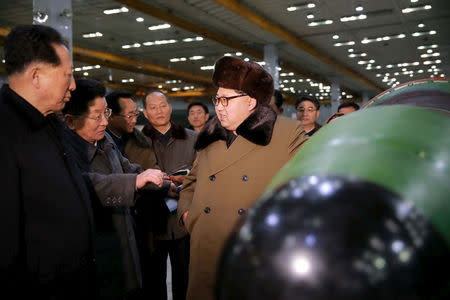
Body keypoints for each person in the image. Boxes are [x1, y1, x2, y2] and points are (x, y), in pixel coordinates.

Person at [177, 56, 309, 300]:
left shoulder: (286, 133)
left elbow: (308, 190)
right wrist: (189, 216)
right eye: (217, 98)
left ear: (251, 101)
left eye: (227, 99)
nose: (219, 106)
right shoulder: (210, 135)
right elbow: (191, 182)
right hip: (204, 251)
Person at [0, 24, 96, 299]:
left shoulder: (50, 124)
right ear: (37, 76)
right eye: (67, 75)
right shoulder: (5, 133)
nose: (74, 84)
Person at [62, 78, 171, 299]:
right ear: (71, 121)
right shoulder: (64, 152)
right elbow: (87, 183)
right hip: (97, 257)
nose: (104, 122)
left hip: (125, 247)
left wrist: (165, 184)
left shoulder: (104, 140)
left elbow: (129, 169)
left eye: (107, 113)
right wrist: (136, 182)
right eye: (97, 116)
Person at [141, 90, 197, 300]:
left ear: (170, 107)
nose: (159, 111)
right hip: (152, 222)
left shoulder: (192, 138)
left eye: (163, 105)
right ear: (145, 113)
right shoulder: (138, 141)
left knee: (185, 276)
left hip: (184, 219)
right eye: (153, 107)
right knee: (154, 279)